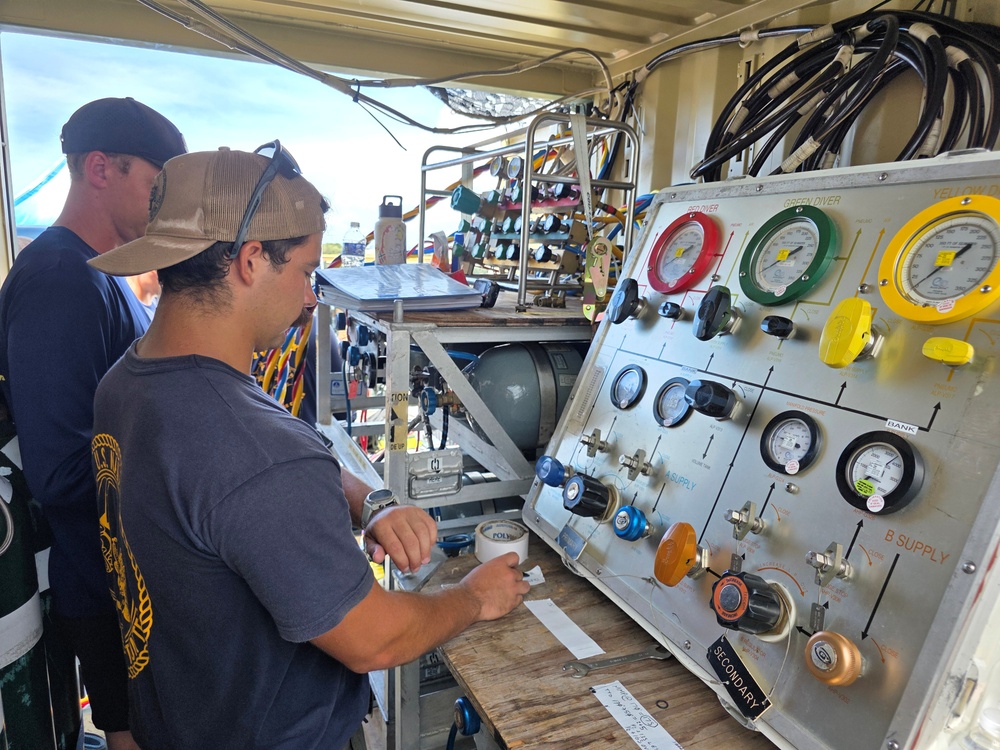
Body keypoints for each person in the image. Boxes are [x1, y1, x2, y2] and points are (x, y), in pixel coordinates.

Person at [87, 144, 529, 750]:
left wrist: (371, 500)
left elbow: (249, 488)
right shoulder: (252, 450)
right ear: (249, 260)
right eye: (302, 272)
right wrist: (472, 597)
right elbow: (375, 639)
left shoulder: (127, 384)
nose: (310, 298)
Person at [0, 97, 185, 750]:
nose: (163, 207)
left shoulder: (103, 278)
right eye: (156, 186)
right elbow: (62, 471)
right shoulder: (58, 280)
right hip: (109, 592)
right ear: (101, 168)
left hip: (137, 578)